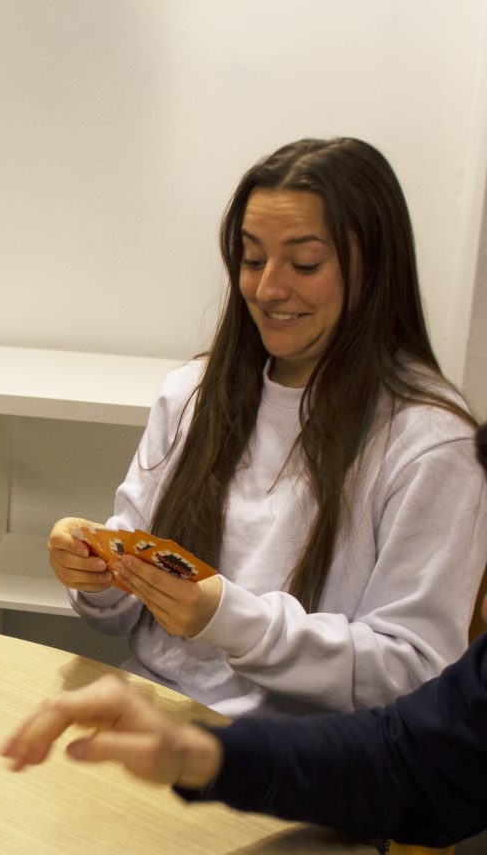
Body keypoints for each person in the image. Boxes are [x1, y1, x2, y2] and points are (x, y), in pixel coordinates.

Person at [48, 137, 487, 718]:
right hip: (154, 712)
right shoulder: (193, 394)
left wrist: (230, 620)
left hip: (307, 761)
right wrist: (100, 576)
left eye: (304, 263)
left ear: (375, 268)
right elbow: (126, 612)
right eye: (252, 260)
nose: (268, 288)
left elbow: (413, 672)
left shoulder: (432, 445)